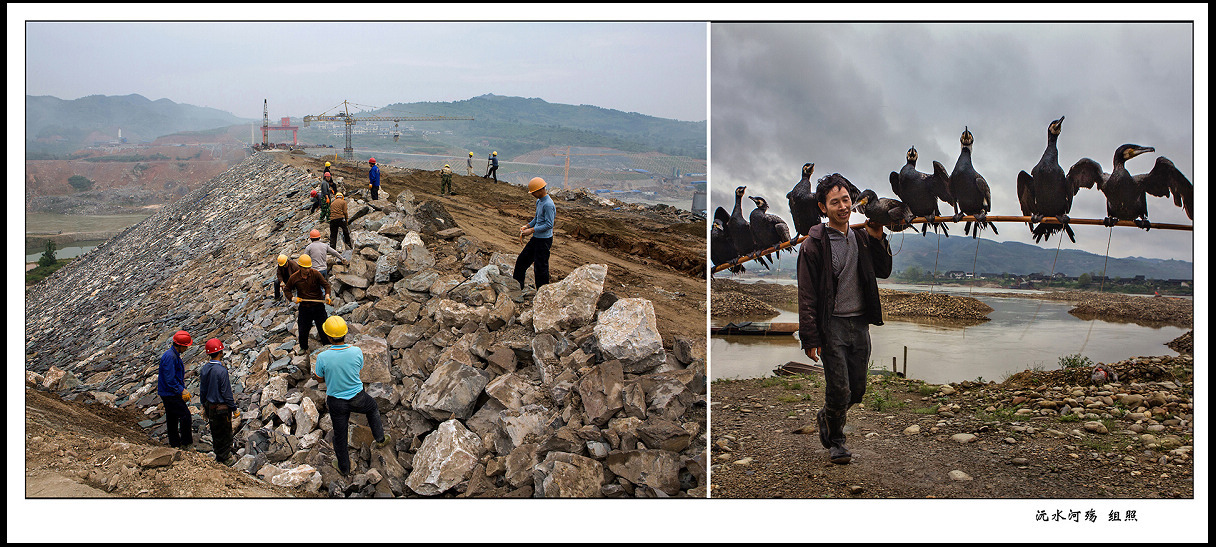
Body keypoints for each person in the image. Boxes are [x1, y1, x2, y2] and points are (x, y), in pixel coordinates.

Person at [797, 176, 892, 465]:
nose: (842, 207)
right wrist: (810, 338)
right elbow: (807, 295)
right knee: (839, 388)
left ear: (852, 201)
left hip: (859, 324)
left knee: (858, 390)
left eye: (846, 200)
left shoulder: (862, 237)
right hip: (832, 326)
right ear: (823, 208)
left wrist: (878, 237)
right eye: (834, 202)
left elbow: (884, 270)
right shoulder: (813, 245)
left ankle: (826, 416)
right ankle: (837, 441)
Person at [312, 316, 391, 476]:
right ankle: (380, 439)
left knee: (340, 434)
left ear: (328, 336)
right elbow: (358, 368)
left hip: (336, 401)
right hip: (358, 397)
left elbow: (320, 378)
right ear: (345, 334)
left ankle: (344, 467)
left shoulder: (322, 357)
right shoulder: (356, 351)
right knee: (372, 408)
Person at [199, 338, 239, 465]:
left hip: (209, 406)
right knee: (225, 432)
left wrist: (203, 405)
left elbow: (202, 389)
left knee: (215, 431)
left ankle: (219, 454)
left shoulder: (205, 369)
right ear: (220, 352)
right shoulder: (221, 371)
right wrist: (234, 408)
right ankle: (225, 457)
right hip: (221, 408)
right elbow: (226, 393)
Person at [286, 254, 333, 353]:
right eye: (305, 268)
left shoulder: (316, 274)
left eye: (309, 267)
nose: (307, 270)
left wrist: (327, 296)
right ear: (300, 267)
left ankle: (327, 345)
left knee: (323, 326)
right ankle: (303, 347)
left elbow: (326, 285)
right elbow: (287, 290)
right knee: (303, 328)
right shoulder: (294, 278)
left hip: (318, 306)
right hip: (304, 307)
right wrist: (292, 298)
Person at [514, 177, 556, 290]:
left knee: (540, 268)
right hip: (536, 239)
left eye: (533, 192)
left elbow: (549, 224)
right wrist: (527, 226)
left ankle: (542, 293)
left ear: (540, 190)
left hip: (544, 241)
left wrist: (531, 230)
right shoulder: (539, 201)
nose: (532, 194)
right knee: (521, 261)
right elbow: (537, 219)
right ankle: (517, 288)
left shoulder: (548, 205)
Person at [158, 330, 195, 449]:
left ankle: (174, 443)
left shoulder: (172, 355)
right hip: (170, 393)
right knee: (185, 415)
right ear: (180, 345)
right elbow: (170, 379)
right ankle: (186, 443)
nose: (186, 349)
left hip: (168, 391)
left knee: (172, 417)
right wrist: (181, 390)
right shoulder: (170, 357)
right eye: (185, 346)